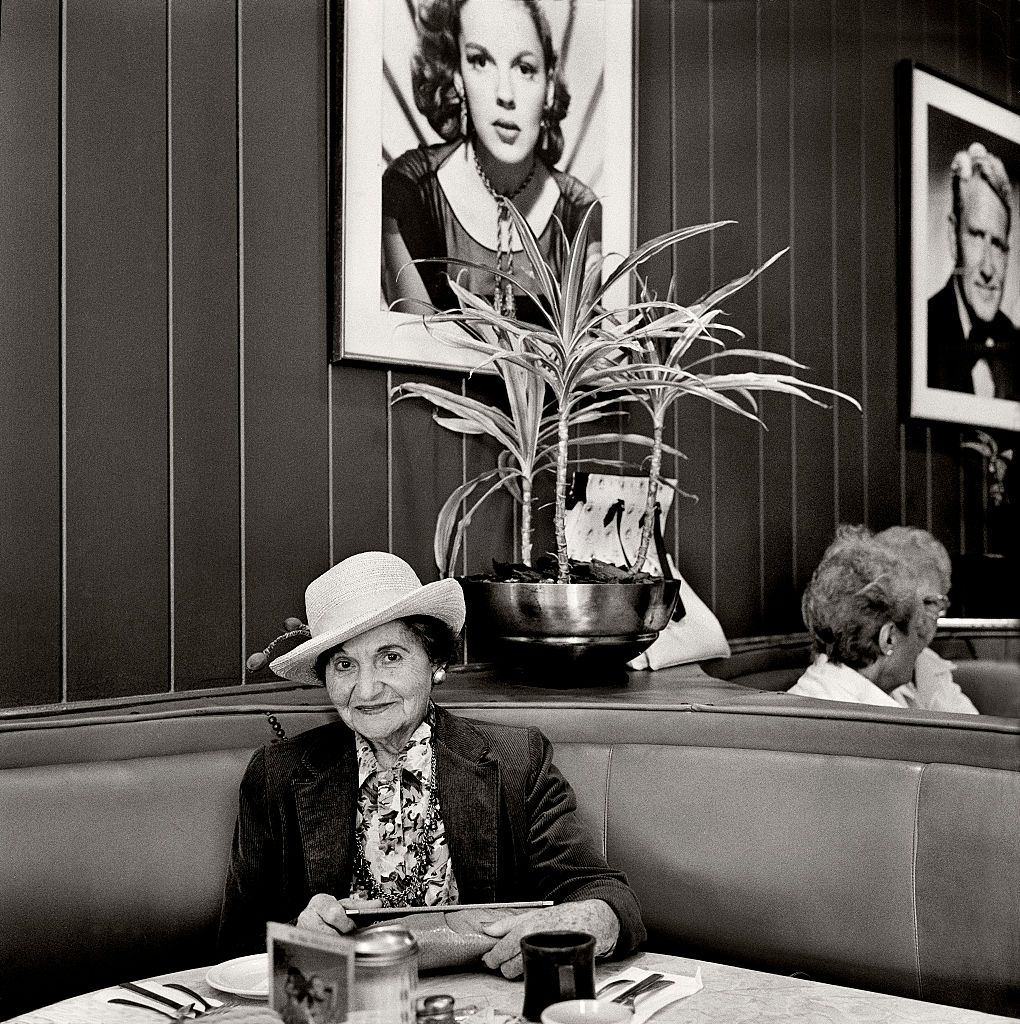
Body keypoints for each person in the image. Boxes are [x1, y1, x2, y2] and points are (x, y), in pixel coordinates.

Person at [218, 551, 644, 979]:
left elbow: (604, 895)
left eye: (391, 657)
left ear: (435, 662)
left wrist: (588, 919)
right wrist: (298, 936)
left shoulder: (518, 761)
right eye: (345, 664)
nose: (366, 690)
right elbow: (236, 943)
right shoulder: (277, 774)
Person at [381, 0, 601, 322]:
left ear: (549, 87)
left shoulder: (580, 215)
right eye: (481, 61)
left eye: (524, 69)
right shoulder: (409, 194)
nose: (505, 94)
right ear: (457, 78)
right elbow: (415, 354)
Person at [789, 526, 977, 713]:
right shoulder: (884, 725)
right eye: (915, 624)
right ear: (888, 638)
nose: (922, 633)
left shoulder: (808, 693)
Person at [928, 141, 1017, 400]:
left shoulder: (1017, 346)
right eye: (977, 236)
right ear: (953, 238)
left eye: (998, 244)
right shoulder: (924, 333)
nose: (989, 268)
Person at [874, 526, 978, 714]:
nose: (918, 620)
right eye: (907, 604)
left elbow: (974, 729)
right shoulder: (872, 671)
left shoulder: (929, 664)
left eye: (930, 603)